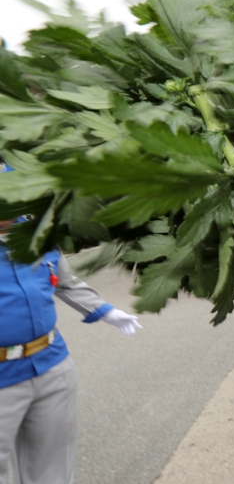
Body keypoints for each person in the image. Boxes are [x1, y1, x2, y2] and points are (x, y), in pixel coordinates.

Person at [0, 171, 142, 484]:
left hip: (52, 365)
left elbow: (65, 282)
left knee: (53, 471)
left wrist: (106, 311)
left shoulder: (36, 232)